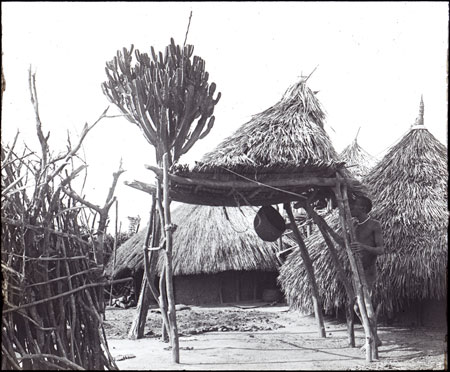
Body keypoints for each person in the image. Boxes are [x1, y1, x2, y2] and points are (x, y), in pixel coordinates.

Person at [349, 194, 384, 347]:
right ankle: (373, 337)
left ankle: (372, 339)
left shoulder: (374, 225)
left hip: (368, 272)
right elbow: (345, 244)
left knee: (363, 306)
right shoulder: (354, 226)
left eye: (354, 205)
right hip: (357, 271)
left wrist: (363, 247)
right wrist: (323, 225)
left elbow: (381, 249)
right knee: (358, 306)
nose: (351, 208)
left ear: (362, 208)